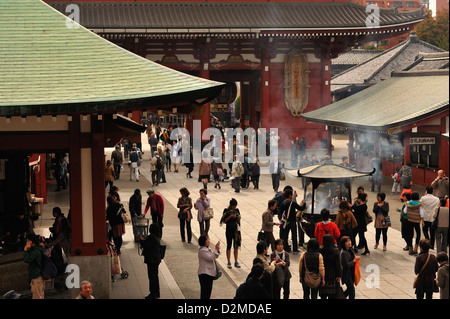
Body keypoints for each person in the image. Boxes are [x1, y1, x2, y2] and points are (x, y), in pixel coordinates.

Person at [139, 224, 162, 299]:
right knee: (155, 276)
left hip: (151, 259)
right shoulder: (157, 236)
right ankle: (157, 292)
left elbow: (146, 246)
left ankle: (153, 293)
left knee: (152, 277)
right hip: (156, 259)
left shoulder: (151, 237)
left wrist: (141, 240)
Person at [220, 198, 242, 269]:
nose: (235, 207)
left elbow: (239, 219)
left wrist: (239, 217)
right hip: (229, 230)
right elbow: (224, 221)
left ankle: (236, 261)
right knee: (229, 245)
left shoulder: (237, 210)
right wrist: (230, 216)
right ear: (231, 205)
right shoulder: (226, 210)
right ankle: (229, 261)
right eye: (233, 206)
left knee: (236, 246)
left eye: (235, 206)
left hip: (236, 230)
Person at [319, 234, 342, 299]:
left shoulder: (321, 251)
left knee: (323, 295)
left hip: (323, 276)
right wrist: (339, 275)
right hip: (332, 275)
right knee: (332, 295)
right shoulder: (335, 251)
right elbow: (338, 264)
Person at [197, 235, 221, 299]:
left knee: (208, 292)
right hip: (204, 274)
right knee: (205, 292)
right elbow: (211, 258)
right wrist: (216, 250)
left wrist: (217, 250)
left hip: (209, 273)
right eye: (207, 240)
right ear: (204, 242)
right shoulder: (202, 251)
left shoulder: (208, 249)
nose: (209, 241)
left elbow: (214, 256)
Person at [23, 234, 45, 299]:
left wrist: (25, 250)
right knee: (38, 295)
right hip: (36, 277)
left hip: (37, 277)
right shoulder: (36, 250)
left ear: (33, 242)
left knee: (37, 296)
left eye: (28, 241)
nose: (27, 243)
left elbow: (27, 259)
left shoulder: (36, 252)